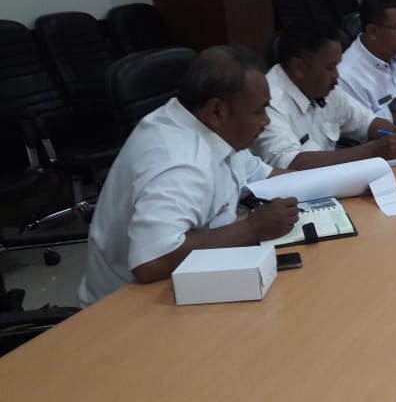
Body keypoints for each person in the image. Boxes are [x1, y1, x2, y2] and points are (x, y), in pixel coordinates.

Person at [78, 45, 300, 306]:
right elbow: (152, 261)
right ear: (217, 111)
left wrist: (334, 185)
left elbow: (265, 176)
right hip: (126, 307)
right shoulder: (180, 162)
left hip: (190, 281)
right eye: (258, 111)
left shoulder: (210, 127)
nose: (266, 122)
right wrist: (252, 228)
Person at [252, 19, 396, 169]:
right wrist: (371, 151)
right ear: (298, 67)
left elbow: (366, 123)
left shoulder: (322, 88)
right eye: (330, 67)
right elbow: (288, 164)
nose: (336, 75)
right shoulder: (267, 101)